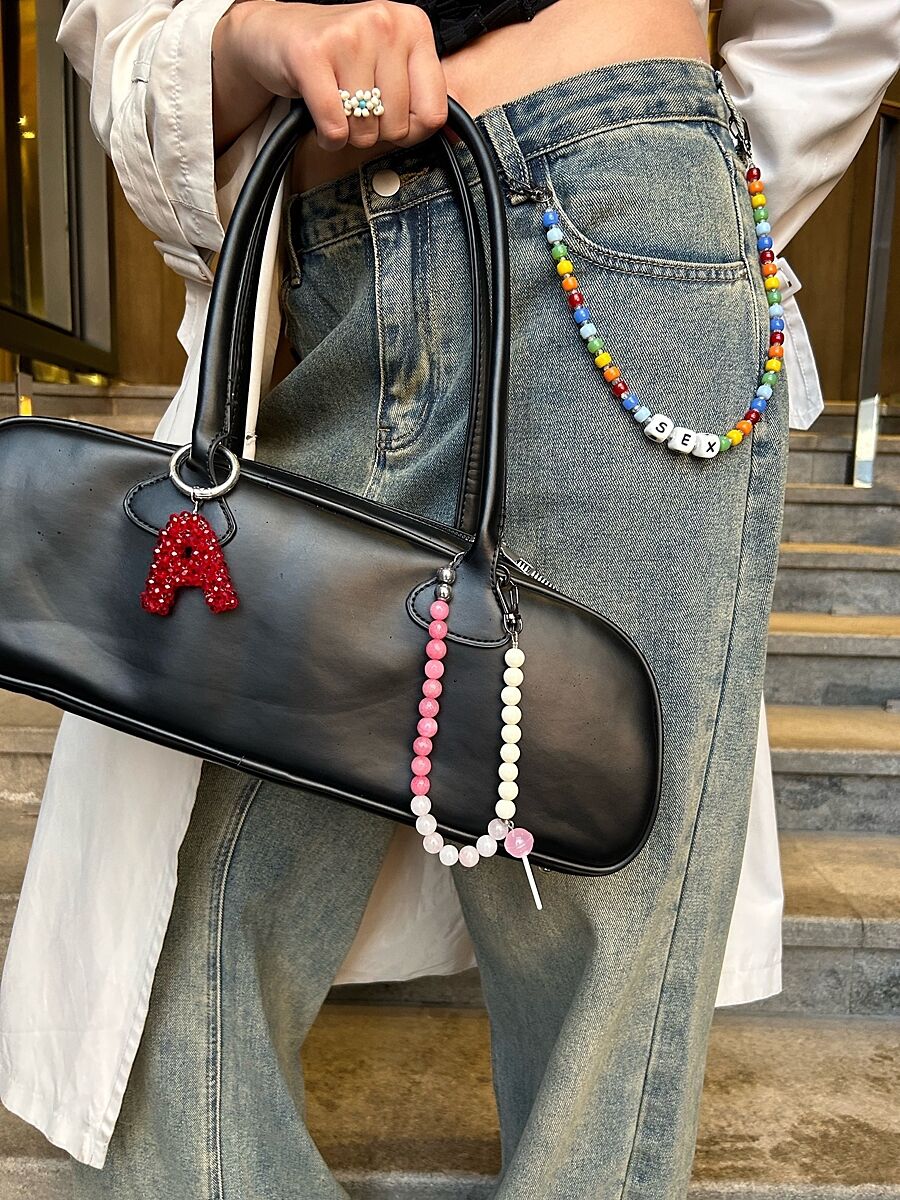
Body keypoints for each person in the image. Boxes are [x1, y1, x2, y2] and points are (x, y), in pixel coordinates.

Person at [0, 0, 897, 1195]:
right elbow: (120, 31)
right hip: (316, 268)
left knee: (603, 956)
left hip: (616, 222)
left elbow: (834, 22)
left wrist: (680, 199)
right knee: (170, 957)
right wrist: (250, 34)